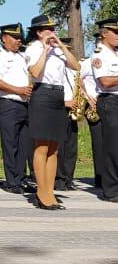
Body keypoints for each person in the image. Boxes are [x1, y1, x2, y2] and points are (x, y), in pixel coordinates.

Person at [25, 14, 79, 210]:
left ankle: (49, 190)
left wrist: (61, 46)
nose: (52, 32)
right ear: (38, 32)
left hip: (58, 95)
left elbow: (75, 65)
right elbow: (35, 73)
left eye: (53, 29)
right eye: (48, 29)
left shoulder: (58, 49)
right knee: (41, 145)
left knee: (54, 148)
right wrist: (45, 52)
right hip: (42, 94)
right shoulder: (33, 48)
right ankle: (42, 192)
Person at [0, 23, 33, 194]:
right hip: (8, 103)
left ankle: (22, 178)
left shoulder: (22, 57)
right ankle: (12, 181)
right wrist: (18, 90)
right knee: (10, 143)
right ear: (4, 39)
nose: (18, 41)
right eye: (14, 38)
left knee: (23, 144)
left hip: (25, 104)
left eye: (19, 38)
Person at [91, 17, 118, 202]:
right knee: (112, 147)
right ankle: (111, 190)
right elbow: (105, 82)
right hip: (110, 101)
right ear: (104, 33)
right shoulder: (99, 54)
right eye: (115, 32)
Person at [55, 38, 80, 192]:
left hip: (72, 111)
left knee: (71, 147)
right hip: (60, 108)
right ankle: (59, 179)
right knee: (60, 147)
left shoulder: (72, 70)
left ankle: (68, 178)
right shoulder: (55, 69)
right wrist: (65, 103)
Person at [80, 39, 104, 189]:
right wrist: (88, 97)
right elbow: (78, 81)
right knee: (99, 142)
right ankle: (100, 178)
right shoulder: (87, 63)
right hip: (94, 103)